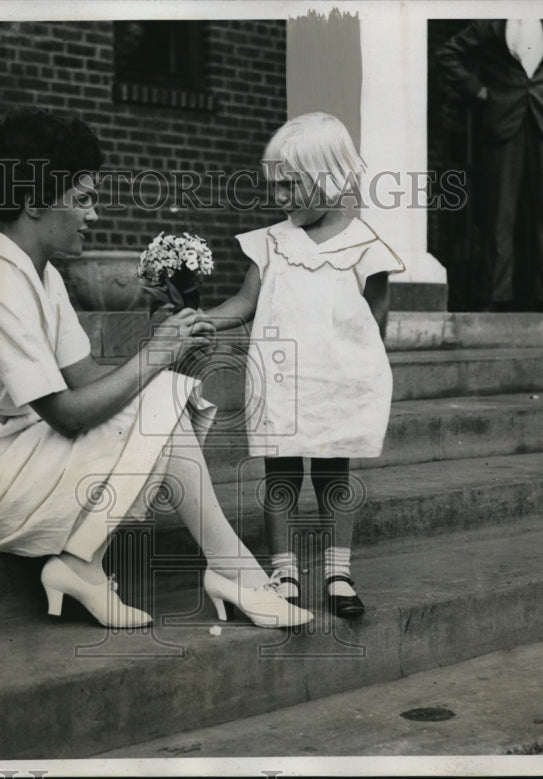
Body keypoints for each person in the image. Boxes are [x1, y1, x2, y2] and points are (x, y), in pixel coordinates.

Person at [0, 109, 312, 630]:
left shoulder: (38, 272)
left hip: (18, 448)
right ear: (35, 203)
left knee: (159, 399)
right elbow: (70, 415)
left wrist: (165, 356)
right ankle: (227, 576)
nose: (93, 215)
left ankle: (91, 566)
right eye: (81, 200)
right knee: (157, 401)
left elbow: (85, 382)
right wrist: (155, 357)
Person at [204, 112, 404, 618]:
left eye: (292, 186)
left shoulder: (365, 245)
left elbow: (374, 324)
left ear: (330, 179)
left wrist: (355, 375)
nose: (281, 198)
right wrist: (201, 320)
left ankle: (338, 572)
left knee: (334, 473)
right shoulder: (270, 242)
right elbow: (244, 303)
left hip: (337, 379)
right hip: (280, 379)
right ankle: (285, 569)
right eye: (276, 187)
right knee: (281, 474)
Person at [436, 19, 543, 312]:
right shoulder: (492, 20)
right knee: (500, 212)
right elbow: (448, 53)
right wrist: (477, 89)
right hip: (503, 120)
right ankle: (496, 294)